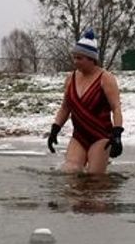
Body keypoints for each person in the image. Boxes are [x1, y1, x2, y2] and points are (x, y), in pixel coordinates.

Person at [46, 30, 124, 174]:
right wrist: (55, 129)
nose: (75, 62)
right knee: (71, 171)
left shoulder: (106, 78)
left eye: (79, 58)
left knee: (94, 179)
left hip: (100, 136)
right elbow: (65, 107)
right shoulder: (71, 78)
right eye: (74, 58)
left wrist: (117, 134)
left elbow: (116, 108)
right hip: (79, 135)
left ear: (91, 59)